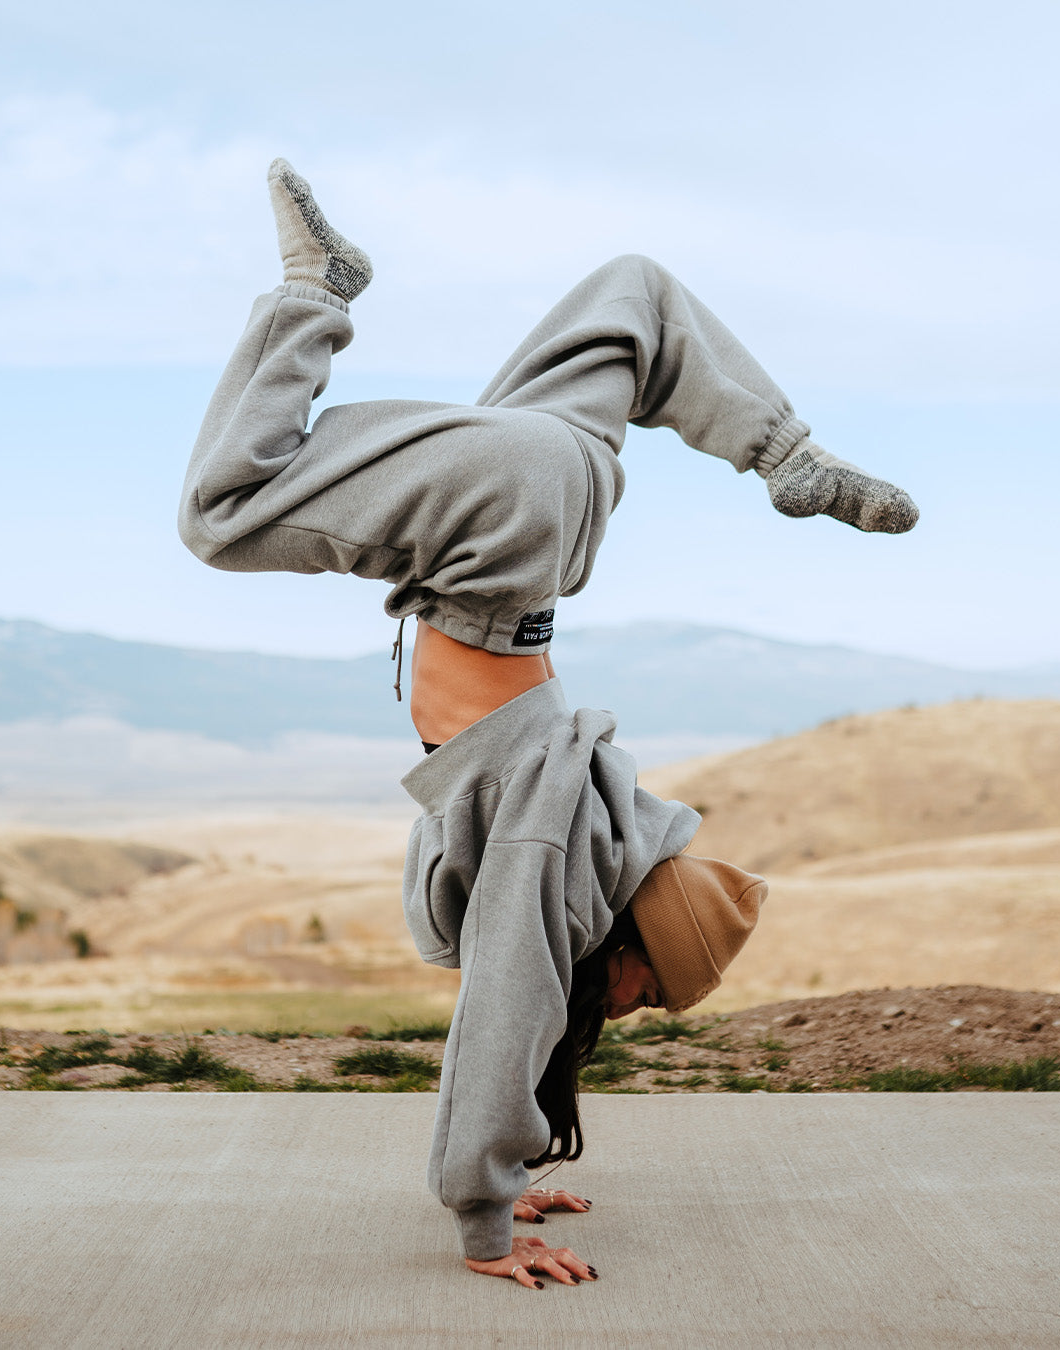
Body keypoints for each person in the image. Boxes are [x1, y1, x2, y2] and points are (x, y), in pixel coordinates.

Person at [179, 160, 919, 1289]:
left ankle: (784, 453)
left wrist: (519, 1172)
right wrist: (488, 1225)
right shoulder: (552, 859)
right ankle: (316, 289)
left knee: (634, 295)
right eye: (651, 985)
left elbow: (513, 1015)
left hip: (545, 518)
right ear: (623, 949)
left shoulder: (594, 834)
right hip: (504, 531)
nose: (640, 1005)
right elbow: (500, 1023)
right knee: (222, 515)